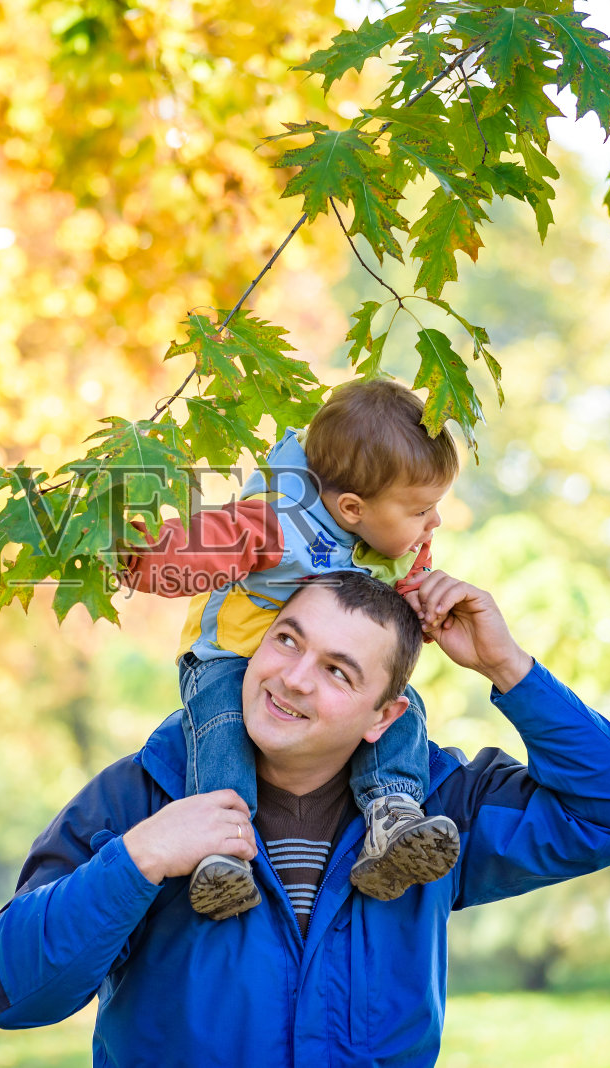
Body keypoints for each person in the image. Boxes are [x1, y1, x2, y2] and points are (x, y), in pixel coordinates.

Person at [0, 571, 610, 1066]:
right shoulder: (144, 794)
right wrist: (138, 859)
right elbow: (12, 992)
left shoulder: (435, 809)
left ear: (384, 717)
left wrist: (508, 666)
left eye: (339, 672)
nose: (293, 677)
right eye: (286, 641)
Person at [119, 379, 462, 919]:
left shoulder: (397, 541)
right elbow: (198, 548)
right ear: (352, 507)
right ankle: (220, 848)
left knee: (399, 706)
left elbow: (394, 610)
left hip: (315, 670)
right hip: (229, 657)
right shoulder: (279, 520)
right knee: (223, 722)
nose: (434, 522)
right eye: (422, 509)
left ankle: (390, 813)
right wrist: (130, 553)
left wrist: (428, 607)